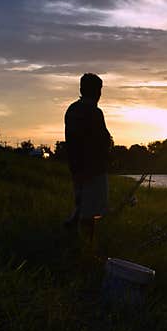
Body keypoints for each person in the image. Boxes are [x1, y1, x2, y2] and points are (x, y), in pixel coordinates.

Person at [63, 73, 114, 243]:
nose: (100, 93)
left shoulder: (72, 109)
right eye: (99, 89)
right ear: (97, 91)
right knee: (91, 213)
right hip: (94, 169)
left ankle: (73, 233)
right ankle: (86, 247)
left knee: (82, 204)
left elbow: (73, 141)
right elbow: (101, 141)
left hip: (76, 167)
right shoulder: (94, 112)